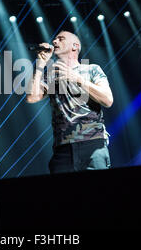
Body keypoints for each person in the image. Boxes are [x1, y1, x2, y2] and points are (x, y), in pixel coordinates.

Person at [26, 31, 114, 174]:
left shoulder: (91, 69)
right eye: (54, 39)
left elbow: (107, 100)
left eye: (60, 39)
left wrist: (77, 79)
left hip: (92, 145)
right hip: (62, 149)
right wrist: (40, 65)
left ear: (75, 46)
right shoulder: (51, 75)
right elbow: (32, 97)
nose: (55, 42)